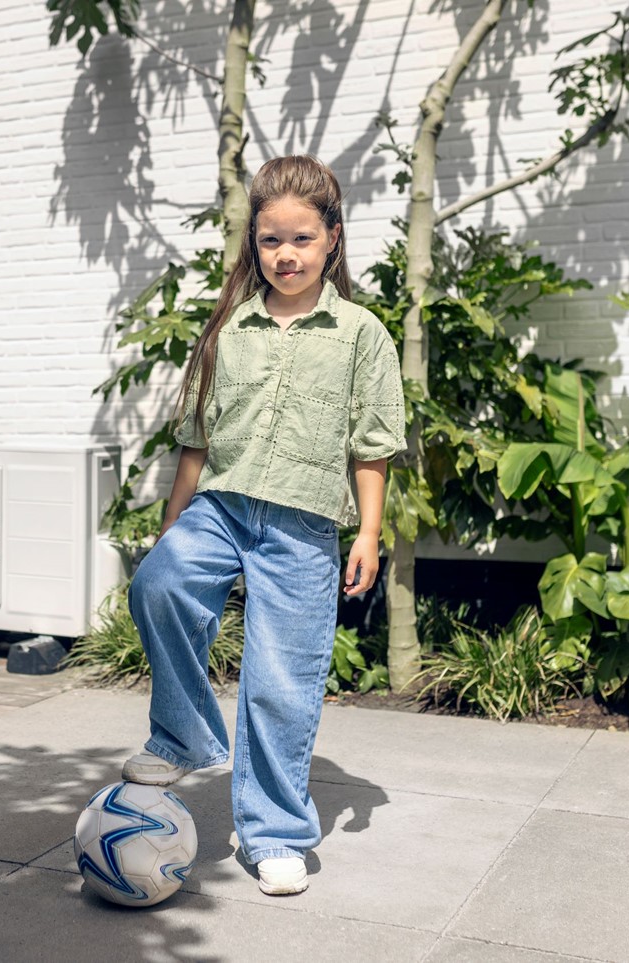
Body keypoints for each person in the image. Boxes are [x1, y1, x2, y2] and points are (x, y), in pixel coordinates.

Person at [122, 154, 405, 896]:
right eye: (271, 240)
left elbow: (372, 446)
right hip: (222, 503)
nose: (286, 254)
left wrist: (368, 534)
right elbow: (197, 437)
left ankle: (274, 831)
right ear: (255, 244)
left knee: (282, 683)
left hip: (304, 524)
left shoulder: (361, 334)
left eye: (302, 239)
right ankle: (184, 732)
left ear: (333, 239)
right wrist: (175, 519)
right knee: (159, 582)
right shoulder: (231, 328)